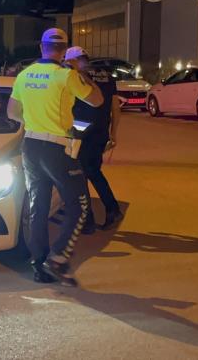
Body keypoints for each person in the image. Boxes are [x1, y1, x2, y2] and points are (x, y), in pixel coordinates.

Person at [7, 28, 103, 285]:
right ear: (64, 51)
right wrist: (79, 72)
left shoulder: (24, 75)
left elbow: (12, 112)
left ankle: (38, 266)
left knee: (37, 208)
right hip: (57, 149)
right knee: (80, 206)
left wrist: (36, 119)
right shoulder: (66, 75)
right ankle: (58, 257)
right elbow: (97, 100)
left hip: (30, 146)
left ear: (41, 47)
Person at [65, 47, 124, 233]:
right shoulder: (106, 75)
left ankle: (88, 219)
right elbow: (116, 107)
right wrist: (113, 133)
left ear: (74, 60)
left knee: (79, 175)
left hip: (81, 134)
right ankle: (110, 209)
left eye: (69, 62)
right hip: (100, 133)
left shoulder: (75, 76)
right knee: (93, 172)